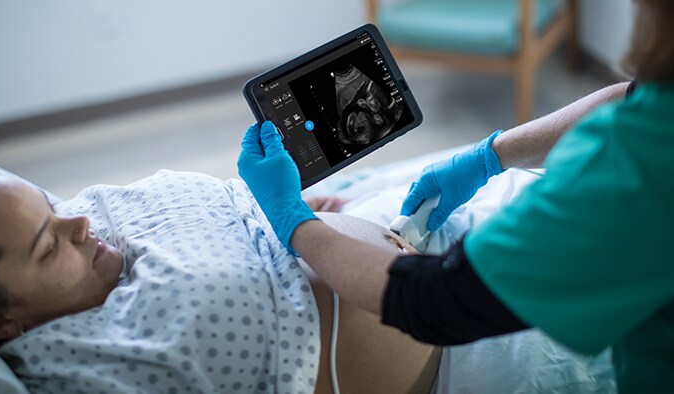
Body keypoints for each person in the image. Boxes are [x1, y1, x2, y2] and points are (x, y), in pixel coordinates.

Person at [236, 0, 674, 392]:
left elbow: (439, 300)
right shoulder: (651, 126)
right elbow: (634, 99)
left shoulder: (641, 170)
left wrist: (291, 219)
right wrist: (489, 156)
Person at [0, 170, 441, 393]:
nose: (78, 222)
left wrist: (290, 212)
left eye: (51, 207)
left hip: (409, 241)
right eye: (49, 246)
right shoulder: (80, 375)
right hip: (454, 349)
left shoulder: (100, 219)